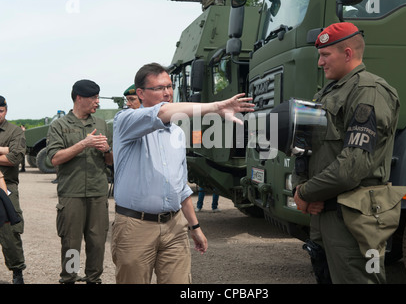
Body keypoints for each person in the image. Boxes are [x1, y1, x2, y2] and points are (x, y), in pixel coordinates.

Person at [111, 62, 254, 284]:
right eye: (159, 88)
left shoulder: (176, 132)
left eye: (169, 86)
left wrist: (195, 226)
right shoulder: (125, 121)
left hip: (174, 227)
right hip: (135, 226)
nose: (167, 92)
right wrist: (216, 107)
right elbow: (163, 111)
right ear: (140, 93)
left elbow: (180, 187)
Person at [292, 22, 400, 284]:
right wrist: (301, 187)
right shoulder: (328, 92)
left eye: (326, 55)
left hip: (354, 220)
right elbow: (306, 148)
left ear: (348, 53)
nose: (320, 63)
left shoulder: (368, 92)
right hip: (325, 214)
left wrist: (305, 193)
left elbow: (351, 167)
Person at [46, 80, 113, 284]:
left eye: (98, 97)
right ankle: (69, 278)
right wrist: (84, 143)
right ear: (79, 98)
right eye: (93, 98)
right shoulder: (59, 125)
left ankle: (94, 278)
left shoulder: (100, 124)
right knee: (71, 243)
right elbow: (55, 159)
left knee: (97, 242)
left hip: (97, 192)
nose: (97, 102)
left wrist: (107, 151)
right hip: (71, 193)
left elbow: (110, 162)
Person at [0, 95, 27, 284]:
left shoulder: (15, 131)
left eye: (0, 111)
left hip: (6, 185)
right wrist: (4, 149)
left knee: (10, 231)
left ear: (6, 110)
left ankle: (17, 271)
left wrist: (8, 152)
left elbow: (14, 158)